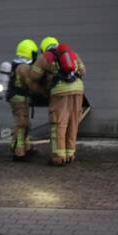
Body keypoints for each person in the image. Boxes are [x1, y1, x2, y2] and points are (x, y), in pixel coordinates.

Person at [27, 36, 86, 166]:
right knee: (73, 123)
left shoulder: (47, 56)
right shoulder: (72, 53)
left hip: (60, 91)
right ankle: (70, 155)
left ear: (44, 48)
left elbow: (34, 75)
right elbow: (83, 70)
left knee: (59, 123)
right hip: (78, 90)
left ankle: (58, 157)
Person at [7, 38, 39, 161]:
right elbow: (31, 84)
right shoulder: (24, 67)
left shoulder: (16, 64)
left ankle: (25, 147)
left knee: (24, 124)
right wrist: (43, 90)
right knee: (22, 124)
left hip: (16, 98)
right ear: (30, 52)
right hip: (20, 99)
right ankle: (18, 153)